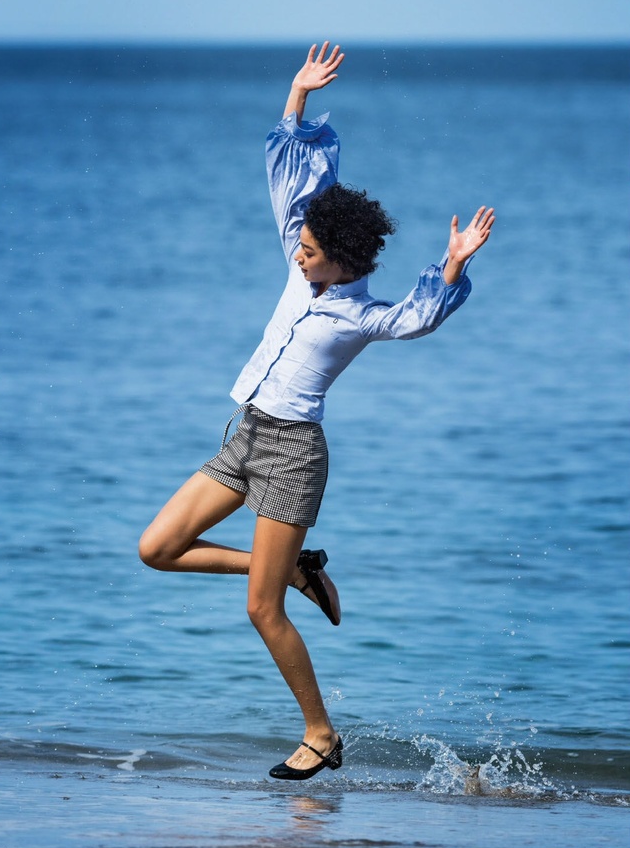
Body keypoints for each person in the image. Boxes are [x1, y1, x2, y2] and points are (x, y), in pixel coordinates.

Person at [139, 42, 495, 781]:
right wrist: (296, 100)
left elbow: (417, 318)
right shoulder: (302, 265)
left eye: (310, 249)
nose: (298, 252)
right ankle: (296, 571)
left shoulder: (361, 315)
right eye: (300, 243)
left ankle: (321, 734)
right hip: (246, 438)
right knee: (158, 548)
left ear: (345, 261)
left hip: (294, 455)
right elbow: (293, 178)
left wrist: (453, 264)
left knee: (259, 613)